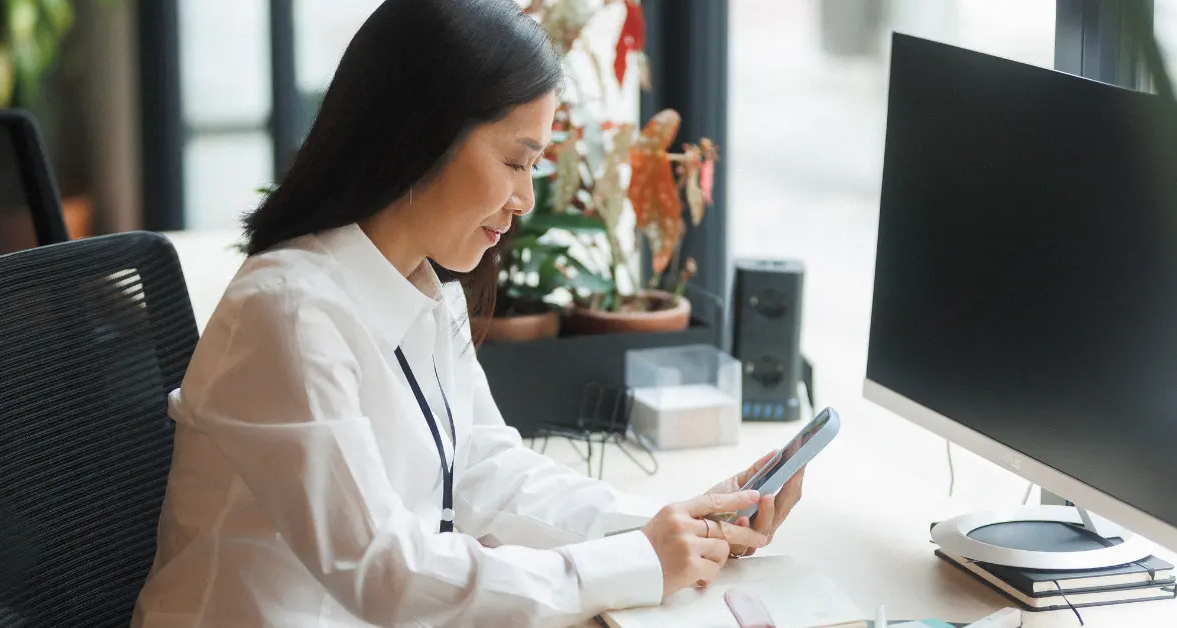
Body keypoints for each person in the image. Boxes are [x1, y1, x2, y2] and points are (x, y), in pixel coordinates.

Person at [132, 1, 806, 626]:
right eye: (517, 161)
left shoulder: (424, 288)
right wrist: (635, 563)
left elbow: (486, 472)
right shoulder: (287, 312)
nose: (525, 200)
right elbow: (383, 571)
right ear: (421, 135)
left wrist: (673, 529)